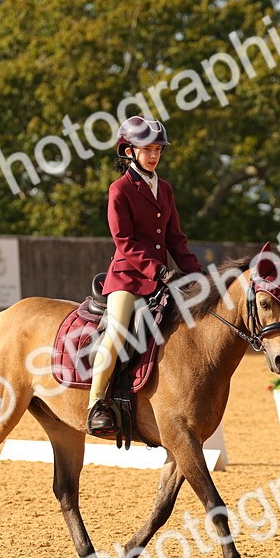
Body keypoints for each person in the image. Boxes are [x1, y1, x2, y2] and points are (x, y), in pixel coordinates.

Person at [87, 116, 202, 437]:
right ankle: (97, 402)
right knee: (118, 331)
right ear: (129, 151)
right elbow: (123, 241)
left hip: (162, 278)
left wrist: (198, 274)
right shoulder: (119, 189)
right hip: (128, 277)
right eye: (146, 149)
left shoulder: (164, 188)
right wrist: (158, 270)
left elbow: (175, 239)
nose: (153, 156)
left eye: (157, 150)